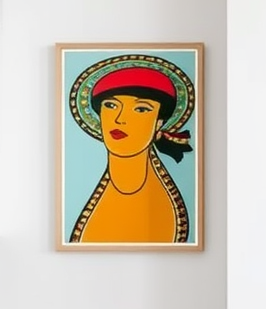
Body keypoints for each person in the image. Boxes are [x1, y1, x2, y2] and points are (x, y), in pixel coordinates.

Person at [68, 55, 195, 245]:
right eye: (110, 105)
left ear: (159, 122)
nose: (120, 119)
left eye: (141, 109)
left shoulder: (165, 209)